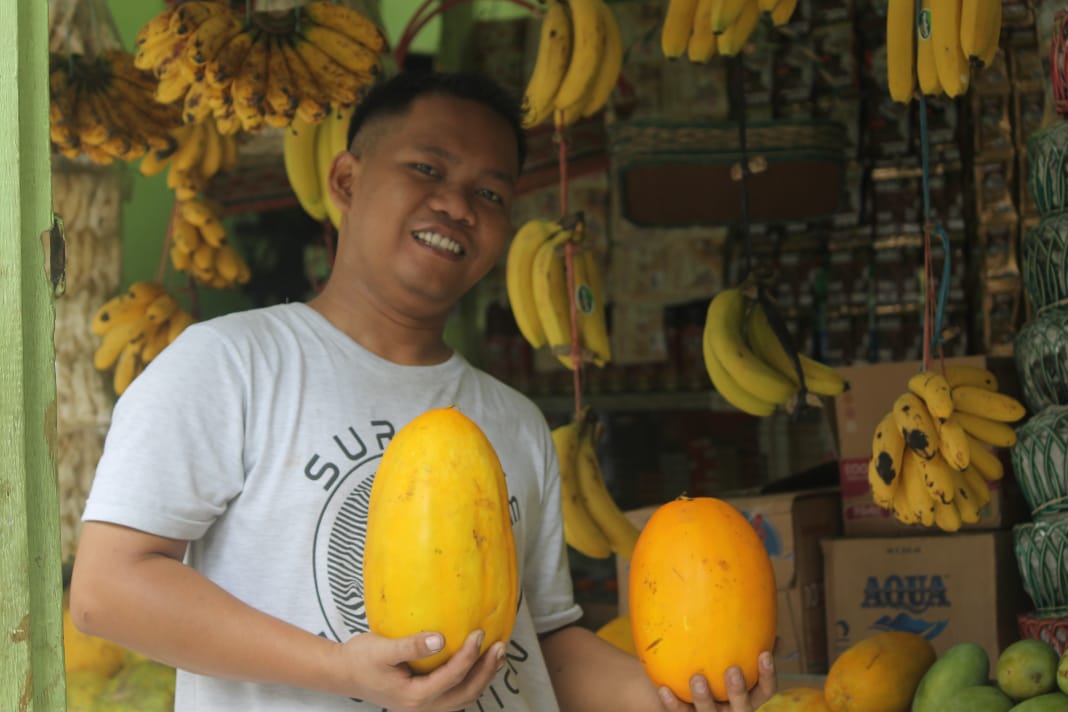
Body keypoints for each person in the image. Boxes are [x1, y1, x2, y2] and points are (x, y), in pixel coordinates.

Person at [70, 70, 777, 712]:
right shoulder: (229, 365)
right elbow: (108, 592)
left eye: (491, 193)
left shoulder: (517, 422)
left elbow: (543, 643)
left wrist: (676, 700)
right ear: (346, 180)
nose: (456, 205)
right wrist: (341, 670)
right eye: (427, 168)